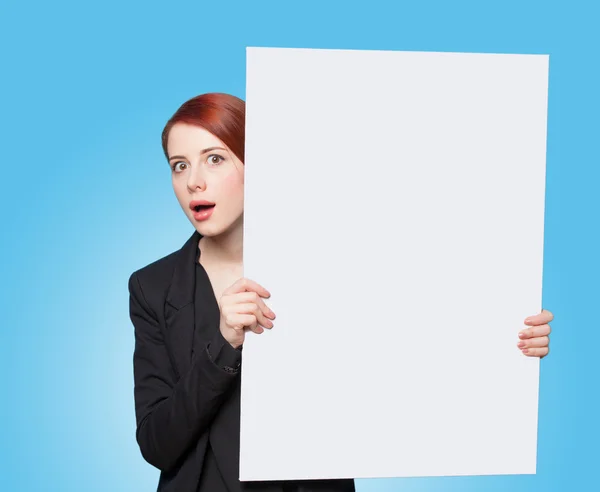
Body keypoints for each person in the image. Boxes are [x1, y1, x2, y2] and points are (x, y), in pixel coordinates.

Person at [128, 93, 553, 492]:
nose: (194, 182)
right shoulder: (153, 286)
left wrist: (510, 343)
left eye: (215, 159)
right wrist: (224, 344)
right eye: (179, 165)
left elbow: (417, 350)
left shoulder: (333, 259)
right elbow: (156, 444)